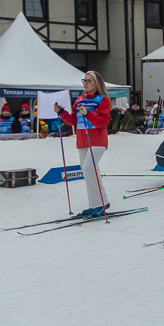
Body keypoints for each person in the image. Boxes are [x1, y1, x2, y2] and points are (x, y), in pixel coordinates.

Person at [54, 71, 113, 217]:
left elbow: (103, 121)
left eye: (89, 81)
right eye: (84, 80)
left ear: (96, 83)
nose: (85, 84)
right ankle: (97, 203)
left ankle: (100, 204)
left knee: (88, 168)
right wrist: (61, 112)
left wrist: (88, 114)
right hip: (82, 140)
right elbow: (73, 120)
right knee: (89, 171)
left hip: (97, 139)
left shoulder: (103, 99)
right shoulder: (80, 99)